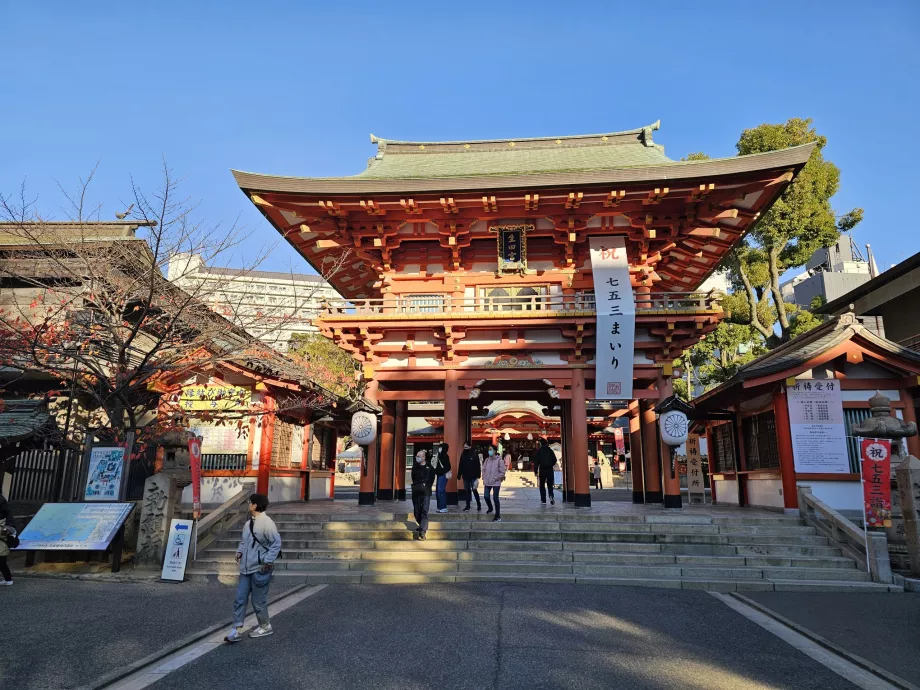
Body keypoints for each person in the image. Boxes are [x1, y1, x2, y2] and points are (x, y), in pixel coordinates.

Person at [225, 493, 281, 643]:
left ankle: (265, 626)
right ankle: (236, 629)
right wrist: (239, 551)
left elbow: (276, 544)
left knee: (258, 600)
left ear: (255, 505)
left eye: (250, 502)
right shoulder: (248, 523)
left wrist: (266, 561)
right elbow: (244, 541)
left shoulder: (267, 523)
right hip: (245, 568)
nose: (248, 504)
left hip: (259, 568)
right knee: (240, 599)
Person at [411, 449, 434, 539]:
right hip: (416, 491)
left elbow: (431, 479)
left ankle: (422, 531)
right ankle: (421, 525)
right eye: (417, 456)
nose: (417, 458)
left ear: (424, 457)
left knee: (424, 510)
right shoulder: (415, 467)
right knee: (417, 511)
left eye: (419, 456)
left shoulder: (430, 468)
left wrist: (426, 486)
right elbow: (413, 478)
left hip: (426, 492)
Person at [482, 445, 506, 522]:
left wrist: (495, 478)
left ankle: (497, 515)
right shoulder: (486, 460)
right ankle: (490, 507)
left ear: (495, 451)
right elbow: (483, 469)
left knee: (495, 498)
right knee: (486, 496)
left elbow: (502, 472)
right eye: (489, 450)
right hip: (487, 482)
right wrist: (484, 477)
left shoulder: (499, 460)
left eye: (491, 450)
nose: (489, 451)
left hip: (496, 482)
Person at [457, 441, 482, 512]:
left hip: (473, 476)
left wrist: (478, 475)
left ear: (470, 447)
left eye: (466, 447)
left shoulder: (474, 454)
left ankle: (479, 505)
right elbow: (460, 465)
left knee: (474, 490)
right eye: (464, 447)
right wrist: (459, 474)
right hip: (465, 476)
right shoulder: (463, 454)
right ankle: (467, 506)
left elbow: (478, 466)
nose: (465, 448)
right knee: (467, 491)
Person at [533, 438, 557, 505]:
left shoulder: (539, 451)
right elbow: (554, 460)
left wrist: (535, 471)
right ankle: (551, 496)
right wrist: (550, 464)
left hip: (542, 469)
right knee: (550, 485)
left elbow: (536, 462)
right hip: (549, 469)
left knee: (542, 485)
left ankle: (543, 500)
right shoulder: (550, 451)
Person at [431, 443, 452, 513]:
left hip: (443, 475)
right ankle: (439, 507)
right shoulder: (439, 455)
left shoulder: (445, 456)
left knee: (441, 491)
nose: (439, 449)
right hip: (439, 475)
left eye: (441, 447)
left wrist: (440, 471)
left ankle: (443, 507)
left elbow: (448, 467)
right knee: (437, 491)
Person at [0, 493, 16, 586]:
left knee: (2, 563)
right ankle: (8, 579)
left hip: (2, 544)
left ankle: (8, 579)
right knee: (2, 563)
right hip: (3, 544)